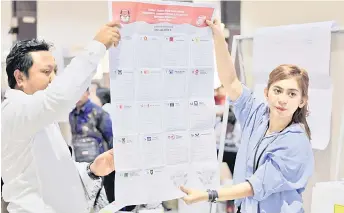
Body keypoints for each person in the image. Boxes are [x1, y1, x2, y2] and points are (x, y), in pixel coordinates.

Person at [180, 19, 314, 213]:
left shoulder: (296, 141)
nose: (283, 99)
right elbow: (231, 82)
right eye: (277, 90)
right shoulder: (257, 115)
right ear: (267, 92)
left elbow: (254, 186)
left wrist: (208, 194)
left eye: (292, 94)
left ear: (302, 101)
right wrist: (218, 37)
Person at [1, 21, 121, 213]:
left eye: (55, 72)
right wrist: (96, 47)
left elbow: (58, 176)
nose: (53, 79)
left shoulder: (39, 117)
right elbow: (60, 98)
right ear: (20, 77)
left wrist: (92, 170)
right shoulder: (15, 111)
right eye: (46, 72)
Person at [70, 89, 113, 163]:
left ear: (87, 93)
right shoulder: (72, 114)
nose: (78, 97)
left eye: (80, 93)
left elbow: (110, 137)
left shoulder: (98, 112)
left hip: (98, 160)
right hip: (79, 160)